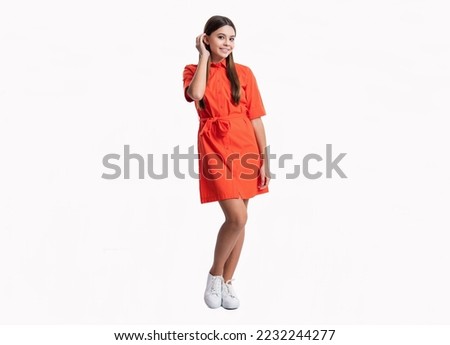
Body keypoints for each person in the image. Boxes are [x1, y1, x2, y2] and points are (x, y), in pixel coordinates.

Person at [182, 15, 270, 310]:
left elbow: (255, 118)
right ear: (206, 38)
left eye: (231, 38)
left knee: (241, 218)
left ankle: (228, 282)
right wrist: (202, 57)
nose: (227, 43)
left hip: (246, 147)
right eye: (221, 37)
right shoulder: (193, 70)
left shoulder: (244, 73)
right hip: (214, 146)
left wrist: (265, 159)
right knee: (237, 217)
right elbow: (196, 94)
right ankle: (214, 275)